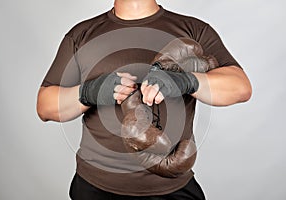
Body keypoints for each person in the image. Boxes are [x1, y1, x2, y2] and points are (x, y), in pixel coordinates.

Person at [37, 0, 252, 199]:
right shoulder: (82, 35)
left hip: (173, 189)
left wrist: (187, 81)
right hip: (94, 187)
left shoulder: (193, 30)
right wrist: (89, 92)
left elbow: (240, 87)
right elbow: (45, 107)